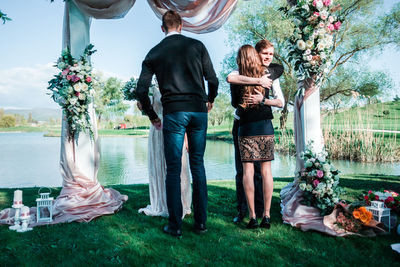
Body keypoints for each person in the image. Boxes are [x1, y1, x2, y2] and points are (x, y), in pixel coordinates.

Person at [136, 10, 219, 237]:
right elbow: (213, 79)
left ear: (163, 28)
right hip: (198, 112)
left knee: (173, 170)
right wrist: (209, 100)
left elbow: (141, 90)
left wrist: (153, 115)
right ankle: (201, 224)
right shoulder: (197, 46)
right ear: (181, 25)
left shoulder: (154, 52)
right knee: (198, 166)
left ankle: (175, 226)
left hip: (173, 113)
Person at [227, 40, 284, 225]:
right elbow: (232, 83)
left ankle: (259, 211)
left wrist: (261, 100)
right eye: (264, 54)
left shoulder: (271, 72)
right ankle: (244, 210)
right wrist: (258, 81)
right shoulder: (242, 74)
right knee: (243, 171)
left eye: (271, 54)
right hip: (242, 123)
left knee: (258, 171)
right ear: (255, 54)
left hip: (257, 122)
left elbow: (280, 98)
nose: (268, 57)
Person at [138, 86, 192, 218]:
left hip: (175, 126)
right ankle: (161, 202)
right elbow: (145, 107)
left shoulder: (176, 84)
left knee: (177, 166)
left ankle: (181, 203)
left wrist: (186, 137)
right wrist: (140, 99)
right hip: (157, 128)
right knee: (158, 165)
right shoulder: (152, 87)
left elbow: (183, 111)